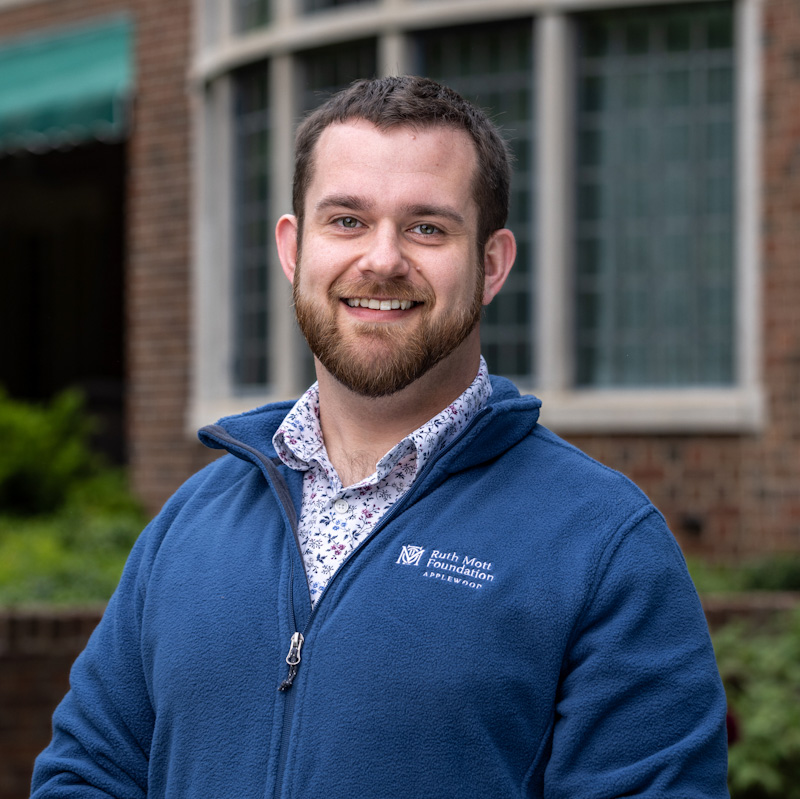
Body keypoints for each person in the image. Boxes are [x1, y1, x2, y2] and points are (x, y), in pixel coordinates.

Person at [31, 76, 728, 798]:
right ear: (293, 248)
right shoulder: (189, 525)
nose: (382, 259)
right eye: (347, 221)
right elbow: (88, 773)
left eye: (427, 226)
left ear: (491, 264)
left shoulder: (603, 545)